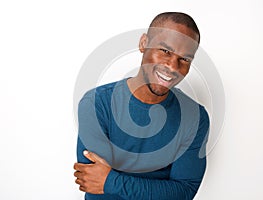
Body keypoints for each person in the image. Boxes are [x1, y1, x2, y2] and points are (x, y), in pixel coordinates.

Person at [73, 12, 210, 200]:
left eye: (184, 59)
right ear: (144, 43)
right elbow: (92, 183)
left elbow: (184, 192)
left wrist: (112, 181)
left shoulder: (195, 117)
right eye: (165, 51)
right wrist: (159, 189)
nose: (172, 66)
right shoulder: (96, 104)